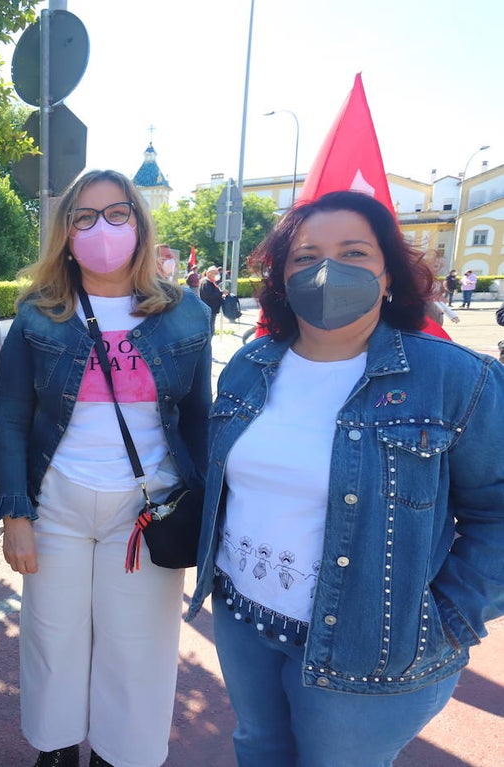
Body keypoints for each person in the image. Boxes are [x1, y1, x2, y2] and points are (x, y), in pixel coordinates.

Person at [187, 191, 504, 766]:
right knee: (258, 748)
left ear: (389, 274)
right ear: (282, 279)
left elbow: (498, 512)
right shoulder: (249, 366)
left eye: (354, 252)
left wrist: (449, 620)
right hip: (242, 615)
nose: (327, 271)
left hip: (372, 642)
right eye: (305, 257)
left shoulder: (455, 377)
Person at [0, 170, 211, 767]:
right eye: (83, 217)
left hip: (146, 510)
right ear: (65, 235)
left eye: (117, 213)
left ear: (139, 224)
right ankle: (56, 751)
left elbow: (198, 419)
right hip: (57, 502)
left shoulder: (187, 315)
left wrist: (205, 511)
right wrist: (14, 511)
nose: (101, 228)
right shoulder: (38, 315)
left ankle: (121, 755)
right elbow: (10, 416)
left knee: (136, 648)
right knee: (52, 639)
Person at [199, 265, 226, 332]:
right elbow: (209, 295)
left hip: (211, 309)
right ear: (209, 273)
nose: (218, 275)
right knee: (210, 329)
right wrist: (221, 293)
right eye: (216, 273)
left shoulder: (210, 282)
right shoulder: (206, 283)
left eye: (218, 273)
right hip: (209, 309)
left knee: (211, 328)